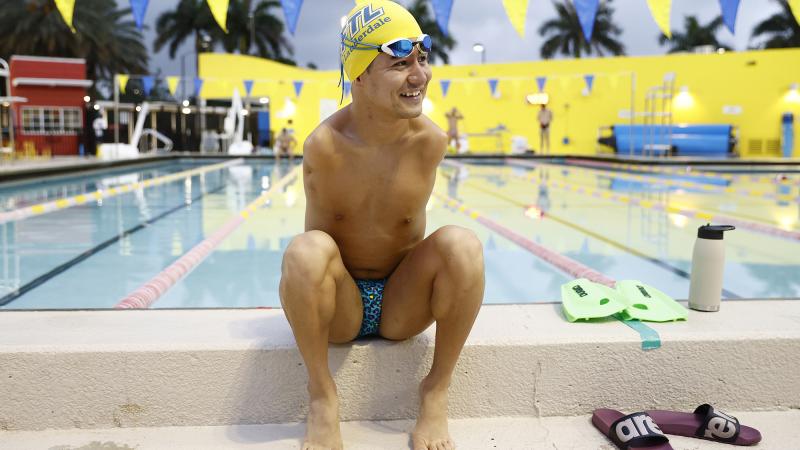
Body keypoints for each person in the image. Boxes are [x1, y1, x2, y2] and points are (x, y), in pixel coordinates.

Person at [279, 2, 485, 449]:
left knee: (462, 245)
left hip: (402, 303)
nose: (420, 76)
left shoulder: (431, 142)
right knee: (305, 251)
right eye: (400, 64)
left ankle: (436, 390)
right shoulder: (324, 148)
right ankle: (322, 396)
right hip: (341, 305)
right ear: (359, 75)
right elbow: (311, 268)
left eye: (422, 59)